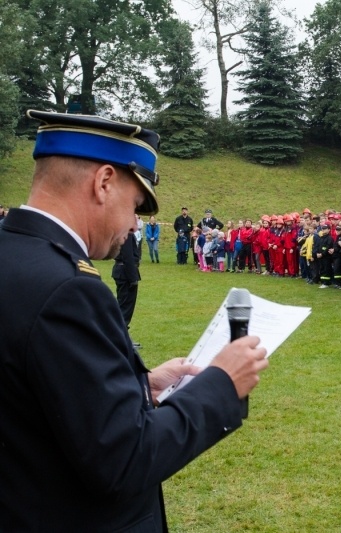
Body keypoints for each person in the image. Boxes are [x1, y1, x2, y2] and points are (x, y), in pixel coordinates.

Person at [0, 110, 268, 531]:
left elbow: (35, 391)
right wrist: (222, 383)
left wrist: (140, 387)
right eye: (136, 206)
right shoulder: (69, 288)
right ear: (103, 182)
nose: (131, 225)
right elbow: (124, 459)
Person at [112, 231, 141, 327]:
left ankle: (122, 334)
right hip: (125, 273)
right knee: (126, 307)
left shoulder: (119, 231)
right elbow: (127, 256)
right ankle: (121, 334)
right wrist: (132, 278)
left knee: (123, 305)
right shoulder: (126, 233)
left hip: (121, 271)